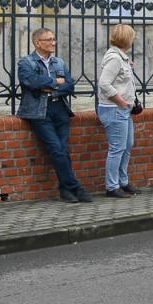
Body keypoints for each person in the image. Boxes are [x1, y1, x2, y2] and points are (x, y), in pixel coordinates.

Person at [16, 28, 92, 204]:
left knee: (63, 150)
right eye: (49, 39)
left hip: (60, 109)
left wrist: (51, 87)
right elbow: (31, 82)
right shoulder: (26, 62)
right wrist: (56, 83)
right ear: (37, 43)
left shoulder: (59, 62)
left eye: (53, 39)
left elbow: (70, 85)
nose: (53, 43)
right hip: (39, 112)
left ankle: (66, 190)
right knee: (56, 149)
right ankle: (75, 188)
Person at [96, 24, 139, 198]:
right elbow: (104, 83)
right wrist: (120, 100)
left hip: (123, 109)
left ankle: (123, 181)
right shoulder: (114, 58)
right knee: (117, 148)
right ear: (126, 38)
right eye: (132, 37)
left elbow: (121, 80)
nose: (133, 40)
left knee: (127, 146)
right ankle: (111, 186)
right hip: (114, 108)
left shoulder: (121, 58)